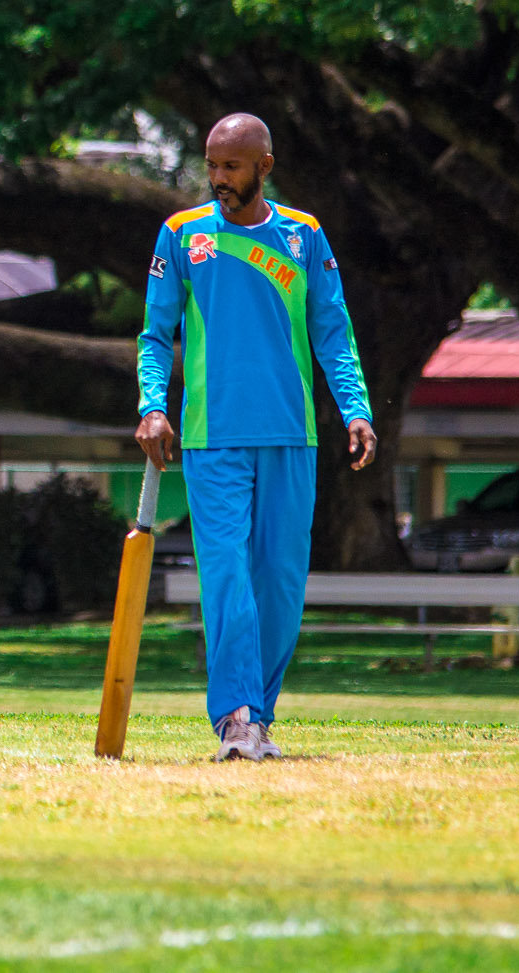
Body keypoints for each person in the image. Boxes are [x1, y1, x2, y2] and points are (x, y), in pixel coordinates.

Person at [136, 113, 377, 762]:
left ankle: (260, 716)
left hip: (292, 434)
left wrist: (356, 410)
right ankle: (235, 716)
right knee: (227, 577)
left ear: (264, 166)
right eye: (212, 165)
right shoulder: (182, 234)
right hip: (212, 438)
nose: (219, 178)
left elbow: (333, 331)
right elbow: (155, 335)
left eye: (231, 166)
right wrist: (153, 406)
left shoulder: (304, 234)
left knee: (279, 585)